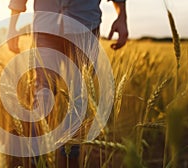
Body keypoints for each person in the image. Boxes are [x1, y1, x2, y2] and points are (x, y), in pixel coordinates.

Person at [7, 0, 128, 167]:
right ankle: (35, 160)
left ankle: (70, 160)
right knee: (42, 94)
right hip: (46, 25)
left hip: (85, 26)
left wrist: (122, 17)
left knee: (79, 99)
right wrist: (12, 24)